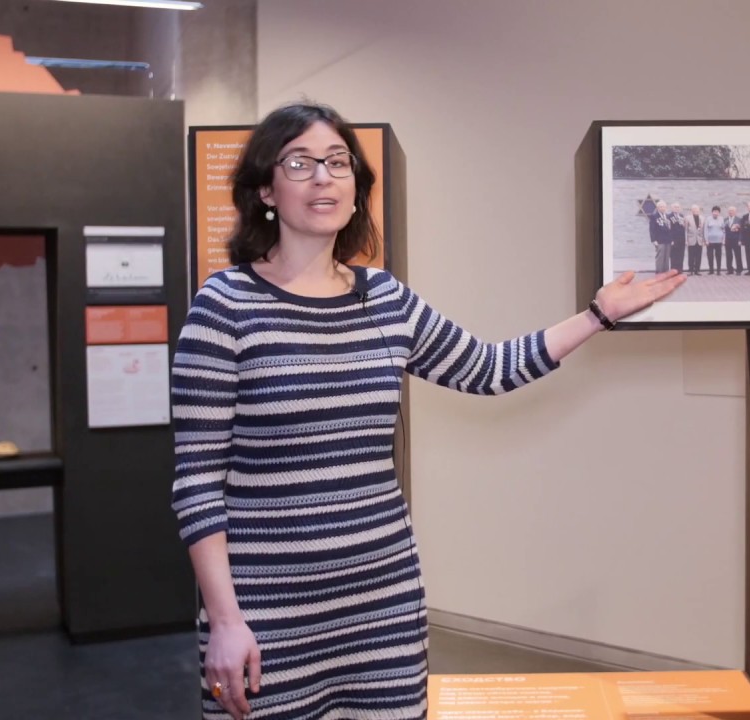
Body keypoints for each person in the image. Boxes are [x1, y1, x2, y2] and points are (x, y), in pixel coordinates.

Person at [169, 103, 685, 720]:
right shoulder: (224, 305)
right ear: (265, 190)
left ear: (357, 190)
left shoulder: (384, 298)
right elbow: (197, 480)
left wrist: (598, 315)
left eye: (337, 162)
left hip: (383, 602)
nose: (322, 177)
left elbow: (489, 369)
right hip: (267, 613)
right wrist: (224, 620)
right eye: (299, 162)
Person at [649, 200, 673, 273]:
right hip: (659, 240)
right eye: (661, 207)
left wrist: (671, 239)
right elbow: (652, 229)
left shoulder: (668, 216)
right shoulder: (654, 216)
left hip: (668, 240)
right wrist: (653, 240)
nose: (663, 208)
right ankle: (659, 272)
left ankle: (666, 271)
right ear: (658, 207)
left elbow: (670, 229)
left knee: (666, 256)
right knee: (660, 256)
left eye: (664, 207)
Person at [704, 205, 726, 275]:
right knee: (710, 256)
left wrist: (723, 240)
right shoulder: (708, 219)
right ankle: (711, 270)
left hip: (719, 241)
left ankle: (718, 270)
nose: (715, 213)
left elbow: (724, 230)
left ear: (719, 213)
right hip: (710, 241)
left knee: (718, 256)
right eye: (714, 211)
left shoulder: (722, 219)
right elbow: (705, 230)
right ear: (712, 212)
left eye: (717, 212)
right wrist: (706, 240)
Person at [685, 204, 706, 275]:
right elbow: (685, 230)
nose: (695, 211)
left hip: (699, 240)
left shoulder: (702, 218)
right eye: (694, 210)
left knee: (698, 255)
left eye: (697, 210)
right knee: (691, 255)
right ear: (691, 211)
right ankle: (690, 270)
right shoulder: (687, 218)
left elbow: (704, 230)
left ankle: (697, 270)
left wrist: (704, 240)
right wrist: (686, 240)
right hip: (691, 239)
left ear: (699, 210)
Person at [724, 206, 743, 275]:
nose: (730, 212)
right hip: (728, 240)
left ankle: (739, 269)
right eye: (729, 210)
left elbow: (741, 231)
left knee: (738, 255)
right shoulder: (725, 219)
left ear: (735, 211)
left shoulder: (739, 219)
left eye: (732, 210)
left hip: (736, 240)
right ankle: (730, 269)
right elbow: (724, 231)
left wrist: (740, 240)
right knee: (728, 255)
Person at [669, 202, 687, 273]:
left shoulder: (682, 216)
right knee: (673, 255)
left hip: (681, 239)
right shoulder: (669, 216)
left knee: (681, 255)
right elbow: (669, 229)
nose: (677, 208)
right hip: (674, 239)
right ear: (672, 208)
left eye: (678, 207)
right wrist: (671, 239)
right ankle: (673, 270)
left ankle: (680, 270)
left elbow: (683, 228)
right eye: (675, 207)